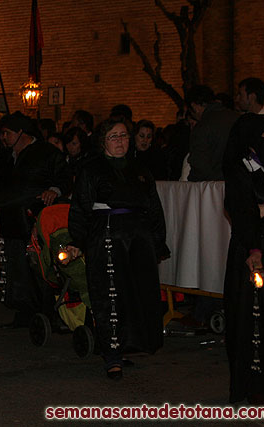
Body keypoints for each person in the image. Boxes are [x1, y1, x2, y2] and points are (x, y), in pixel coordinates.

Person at [65, 118, 169, 380]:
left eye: (124, 135)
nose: (120, 141)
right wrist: (78, 241)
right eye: (114, 136)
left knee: (136, 294)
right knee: (110, 295)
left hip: (139, 239)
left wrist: (158, 241)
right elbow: (80, 207)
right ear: (103, 141)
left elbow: (154, 207)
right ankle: (111, 355)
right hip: (107, 238)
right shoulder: (91, 170)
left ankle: (126, 346)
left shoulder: (141, 169)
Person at [0, 112, 71, 328]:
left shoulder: (47, 153)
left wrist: (54, 190)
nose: (2, 137)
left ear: (21, 132)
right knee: (17, 269)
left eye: (7, 133)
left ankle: (48, 314)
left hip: (37, 222)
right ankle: (24, 314)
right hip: (12, 223)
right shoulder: (4, 159)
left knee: (41, 267)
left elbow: (66, 177)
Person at [222, 112, 264, 404]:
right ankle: (254, 382)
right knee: (253, 318)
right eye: (261, 138)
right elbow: (243, 210)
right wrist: (254, 250)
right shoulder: (241, 169)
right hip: (254, 249)